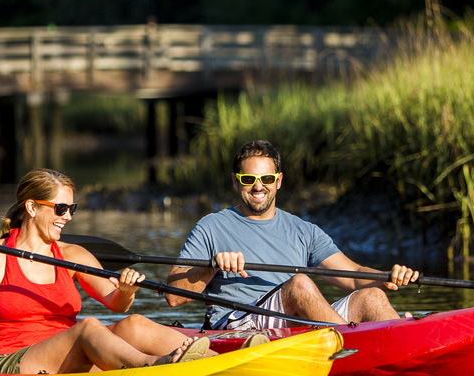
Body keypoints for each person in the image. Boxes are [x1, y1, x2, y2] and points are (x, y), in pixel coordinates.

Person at [0, 168, 209, 373]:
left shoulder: (72, 255)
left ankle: (225, 358)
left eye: (72, 209)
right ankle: (156, 367)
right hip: (12, 362)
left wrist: (127, 290)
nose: (67, 217)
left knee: (135, 323)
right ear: (31, 207)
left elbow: (116, 303)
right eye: (60, 209)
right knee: (89, 327)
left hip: (67, 354)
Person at [165, 140, 419, 330]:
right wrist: (212, 266)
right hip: (238, 326)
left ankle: (406, 344)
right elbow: (173, 297)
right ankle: (352, 345)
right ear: (235, 181)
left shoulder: (303, 230)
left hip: (292, 322)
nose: (257, 186)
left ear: (278, 180)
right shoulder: (211, 226)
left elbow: (353, 277)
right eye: (248, 178)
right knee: (300, 284)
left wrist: (389, 277)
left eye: (266, 178)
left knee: (372, 297)